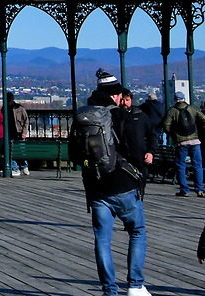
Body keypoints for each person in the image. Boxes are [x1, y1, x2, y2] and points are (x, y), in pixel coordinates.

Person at [69, 71, 149, 296]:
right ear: (115, 95)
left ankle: (109, 289)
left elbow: (73, 154)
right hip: (123, 184)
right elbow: (137, 150)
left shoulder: (82, 116)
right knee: (137, 231)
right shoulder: (121, 115)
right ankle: (135, 285)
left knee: (102, 239)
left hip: (95, 186)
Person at [164, 92, 205, 198]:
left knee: (181, 165)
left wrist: (173, 135)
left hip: (181, 142)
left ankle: (184, 190)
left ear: (175, 99)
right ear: (184, 99)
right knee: (197, 165)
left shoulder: (172, 110)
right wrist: (199, 130)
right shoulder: (192, 108)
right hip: (195, 140)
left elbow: (166, 125)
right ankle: (199, 189)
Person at [118, 90, 155, 177]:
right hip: (121, 157)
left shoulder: (141, 116)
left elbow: (151, 135)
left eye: (127, 100)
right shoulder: (114, 116)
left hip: (139, 158)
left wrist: (150, 152)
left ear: (131, 100)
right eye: (122, 100)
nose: (124, 103)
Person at [6, 92, 30, 177]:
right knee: (12, 151)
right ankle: (15, 168)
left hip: (19, 132)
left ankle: (24, 166)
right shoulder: (5, 108)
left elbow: (26, 121)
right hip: (10, 132)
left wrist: (24, 132)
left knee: (21, 151)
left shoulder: (19, 108)